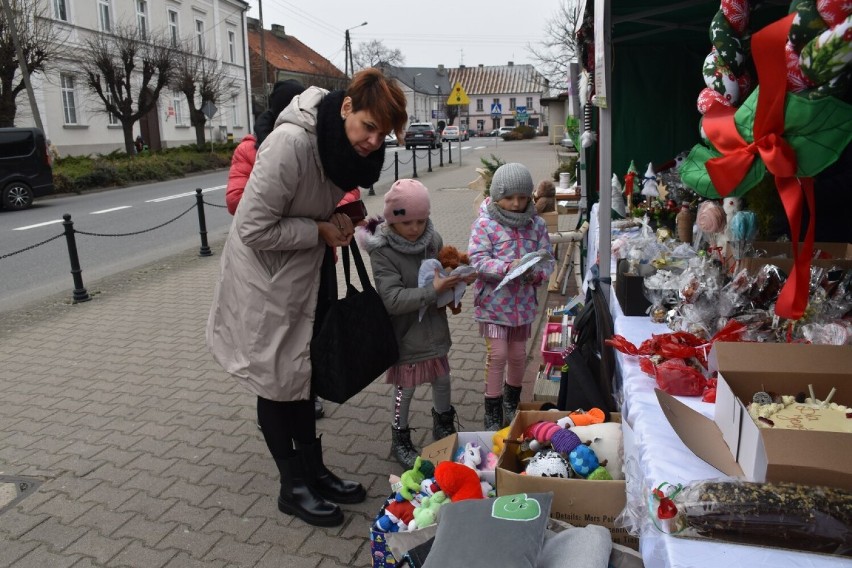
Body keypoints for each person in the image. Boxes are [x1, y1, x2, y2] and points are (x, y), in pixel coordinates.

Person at [206, 68, 408, 527]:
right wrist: (317, 229)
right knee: (278, 382)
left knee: (303, 376)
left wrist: (340, 217)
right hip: (268, 279)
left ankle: (314, 470)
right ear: (345, 108)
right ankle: (291, 485)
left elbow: (317, 199)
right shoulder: (291, 144)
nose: (374, 141)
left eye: (384, 133)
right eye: (369, 126)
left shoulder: (341, 148)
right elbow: (252, 226)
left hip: (308, 272)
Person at [224, 79, 327, 420]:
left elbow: (343, 194)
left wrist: (335, 213)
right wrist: (301, 213)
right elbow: (238, 202)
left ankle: (306, 400)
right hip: (274, 264)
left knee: (311, 339)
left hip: (316, 257)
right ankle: (276, 418)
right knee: (274, 352)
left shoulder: (319, 147)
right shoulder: (254, 149)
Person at [357, 179, 475, 469]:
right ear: (392, 219)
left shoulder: (431, 240)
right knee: (404, 389)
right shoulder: (383, 251)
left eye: (422, 221)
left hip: (433, 330)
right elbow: (392, 299)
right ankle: (399, 435)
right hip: (406, 334)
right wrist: (433, 290)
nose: (416, 229)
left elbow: (440, 272)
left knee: (442, 379)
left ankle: (443, 423)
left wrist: (457, 280)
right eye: (408, 222)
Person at [467, 163, 554, 430]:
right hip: (493, 305)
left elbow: (547, 260)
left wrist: (533, 274)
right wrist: (506, 268)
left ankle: (511, 401)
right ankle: (491, 408)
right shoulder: (485, 224)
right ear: (495, 196)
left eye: (523, 196)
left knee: (518, 355)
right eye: (509, 197)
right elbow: (477, 260)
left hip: (523, 307)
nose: (516, 203)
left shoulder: (536, 225)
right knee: (498, 355)